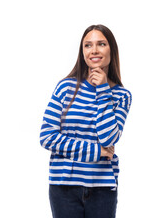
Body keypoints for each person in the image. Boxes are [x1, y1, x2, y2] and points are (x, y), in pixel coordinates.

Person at [39, 24, 132, 218]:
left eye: (101, 44)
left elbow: (108, 138)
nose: (94, 50)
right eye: (88, 45)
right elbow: (47, 137)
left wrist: (103, 90)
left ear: (111, 50)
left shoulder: (122, 95)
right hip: (64, 187)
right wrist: (97, 151)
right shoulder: (66, 87)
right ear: (82, 52)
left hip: (102, 188)